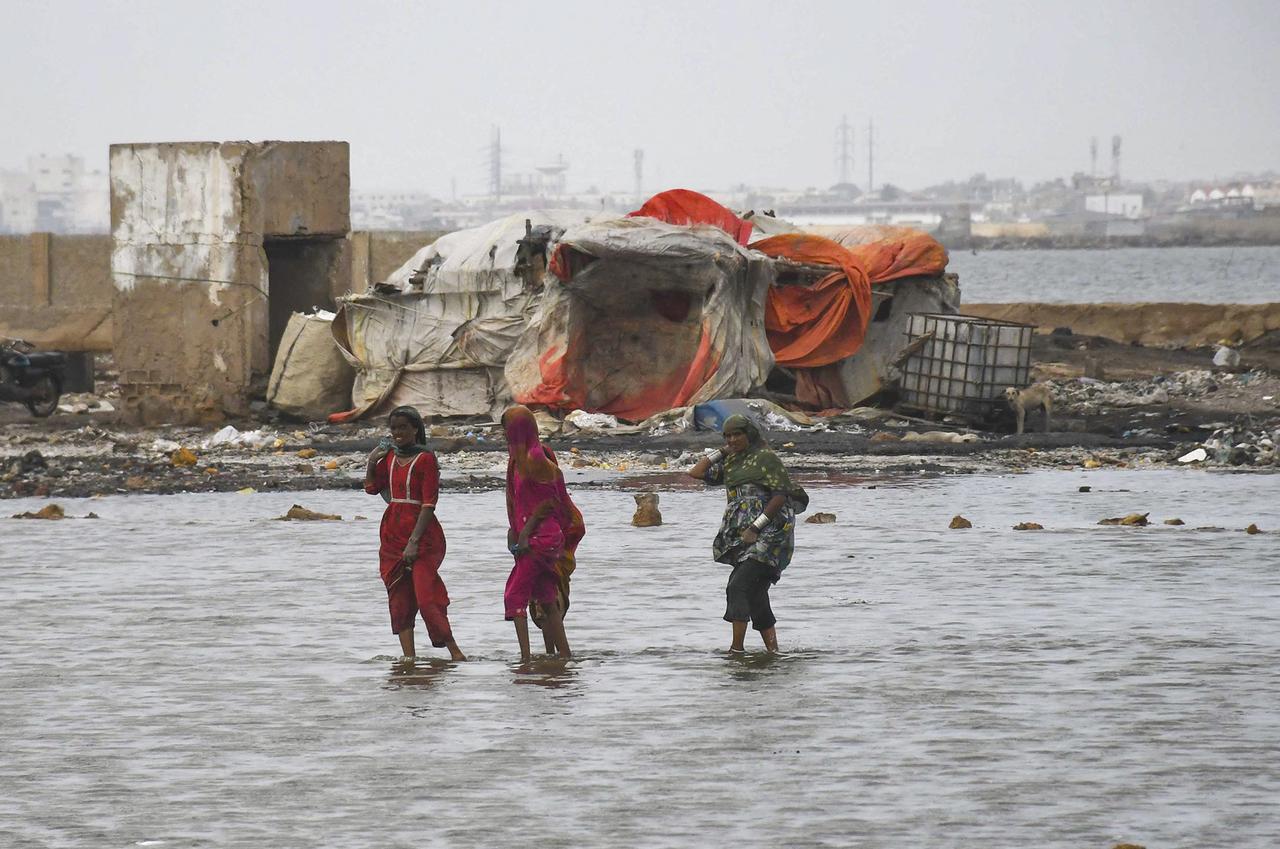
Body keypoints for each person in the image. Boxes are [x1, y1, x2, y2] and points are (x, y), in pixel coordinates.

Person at [687, 413, 804, 653]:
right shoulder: (732, 462)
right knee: (756, 592)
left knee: (737, 586)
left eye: (737, 434)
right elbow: (696, 472)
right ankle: (773, 651)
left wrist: (756, 527)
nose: (732, 439)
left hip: (770, 532)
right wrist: (723, 451)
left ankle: (736, 650)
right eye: (727, 435)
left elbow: (780, 495)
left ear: (749, 434)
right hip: (741, 535)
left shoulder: (766, 459)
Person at [364, 406, 466, 661]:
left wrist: (414, 541)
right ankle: (408, 660)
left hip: (423, 536)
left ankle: (456, 654)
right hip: (392, 534)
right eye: (394, 428)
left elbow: (429, 503)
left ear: (415, 429)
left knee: (426, 597)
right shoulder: (388, 458)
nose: (398, 433)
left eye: (403, 428)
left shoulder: (426, 459)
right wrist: (371, 461)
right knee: (398, 597)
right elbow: (371, 488)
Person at [501, 405, 584, 661]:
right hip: (535, 537)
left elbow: (550, 503)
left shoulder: (537, 459)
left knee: (513, 596)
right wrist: (514, 530)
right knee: (546, 597)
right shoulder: (518, 459)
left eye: (506, 429)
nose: (504, 435)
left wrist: (524, 532)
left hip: (541, 538)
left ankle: (524, 659)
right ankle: (565, 656)